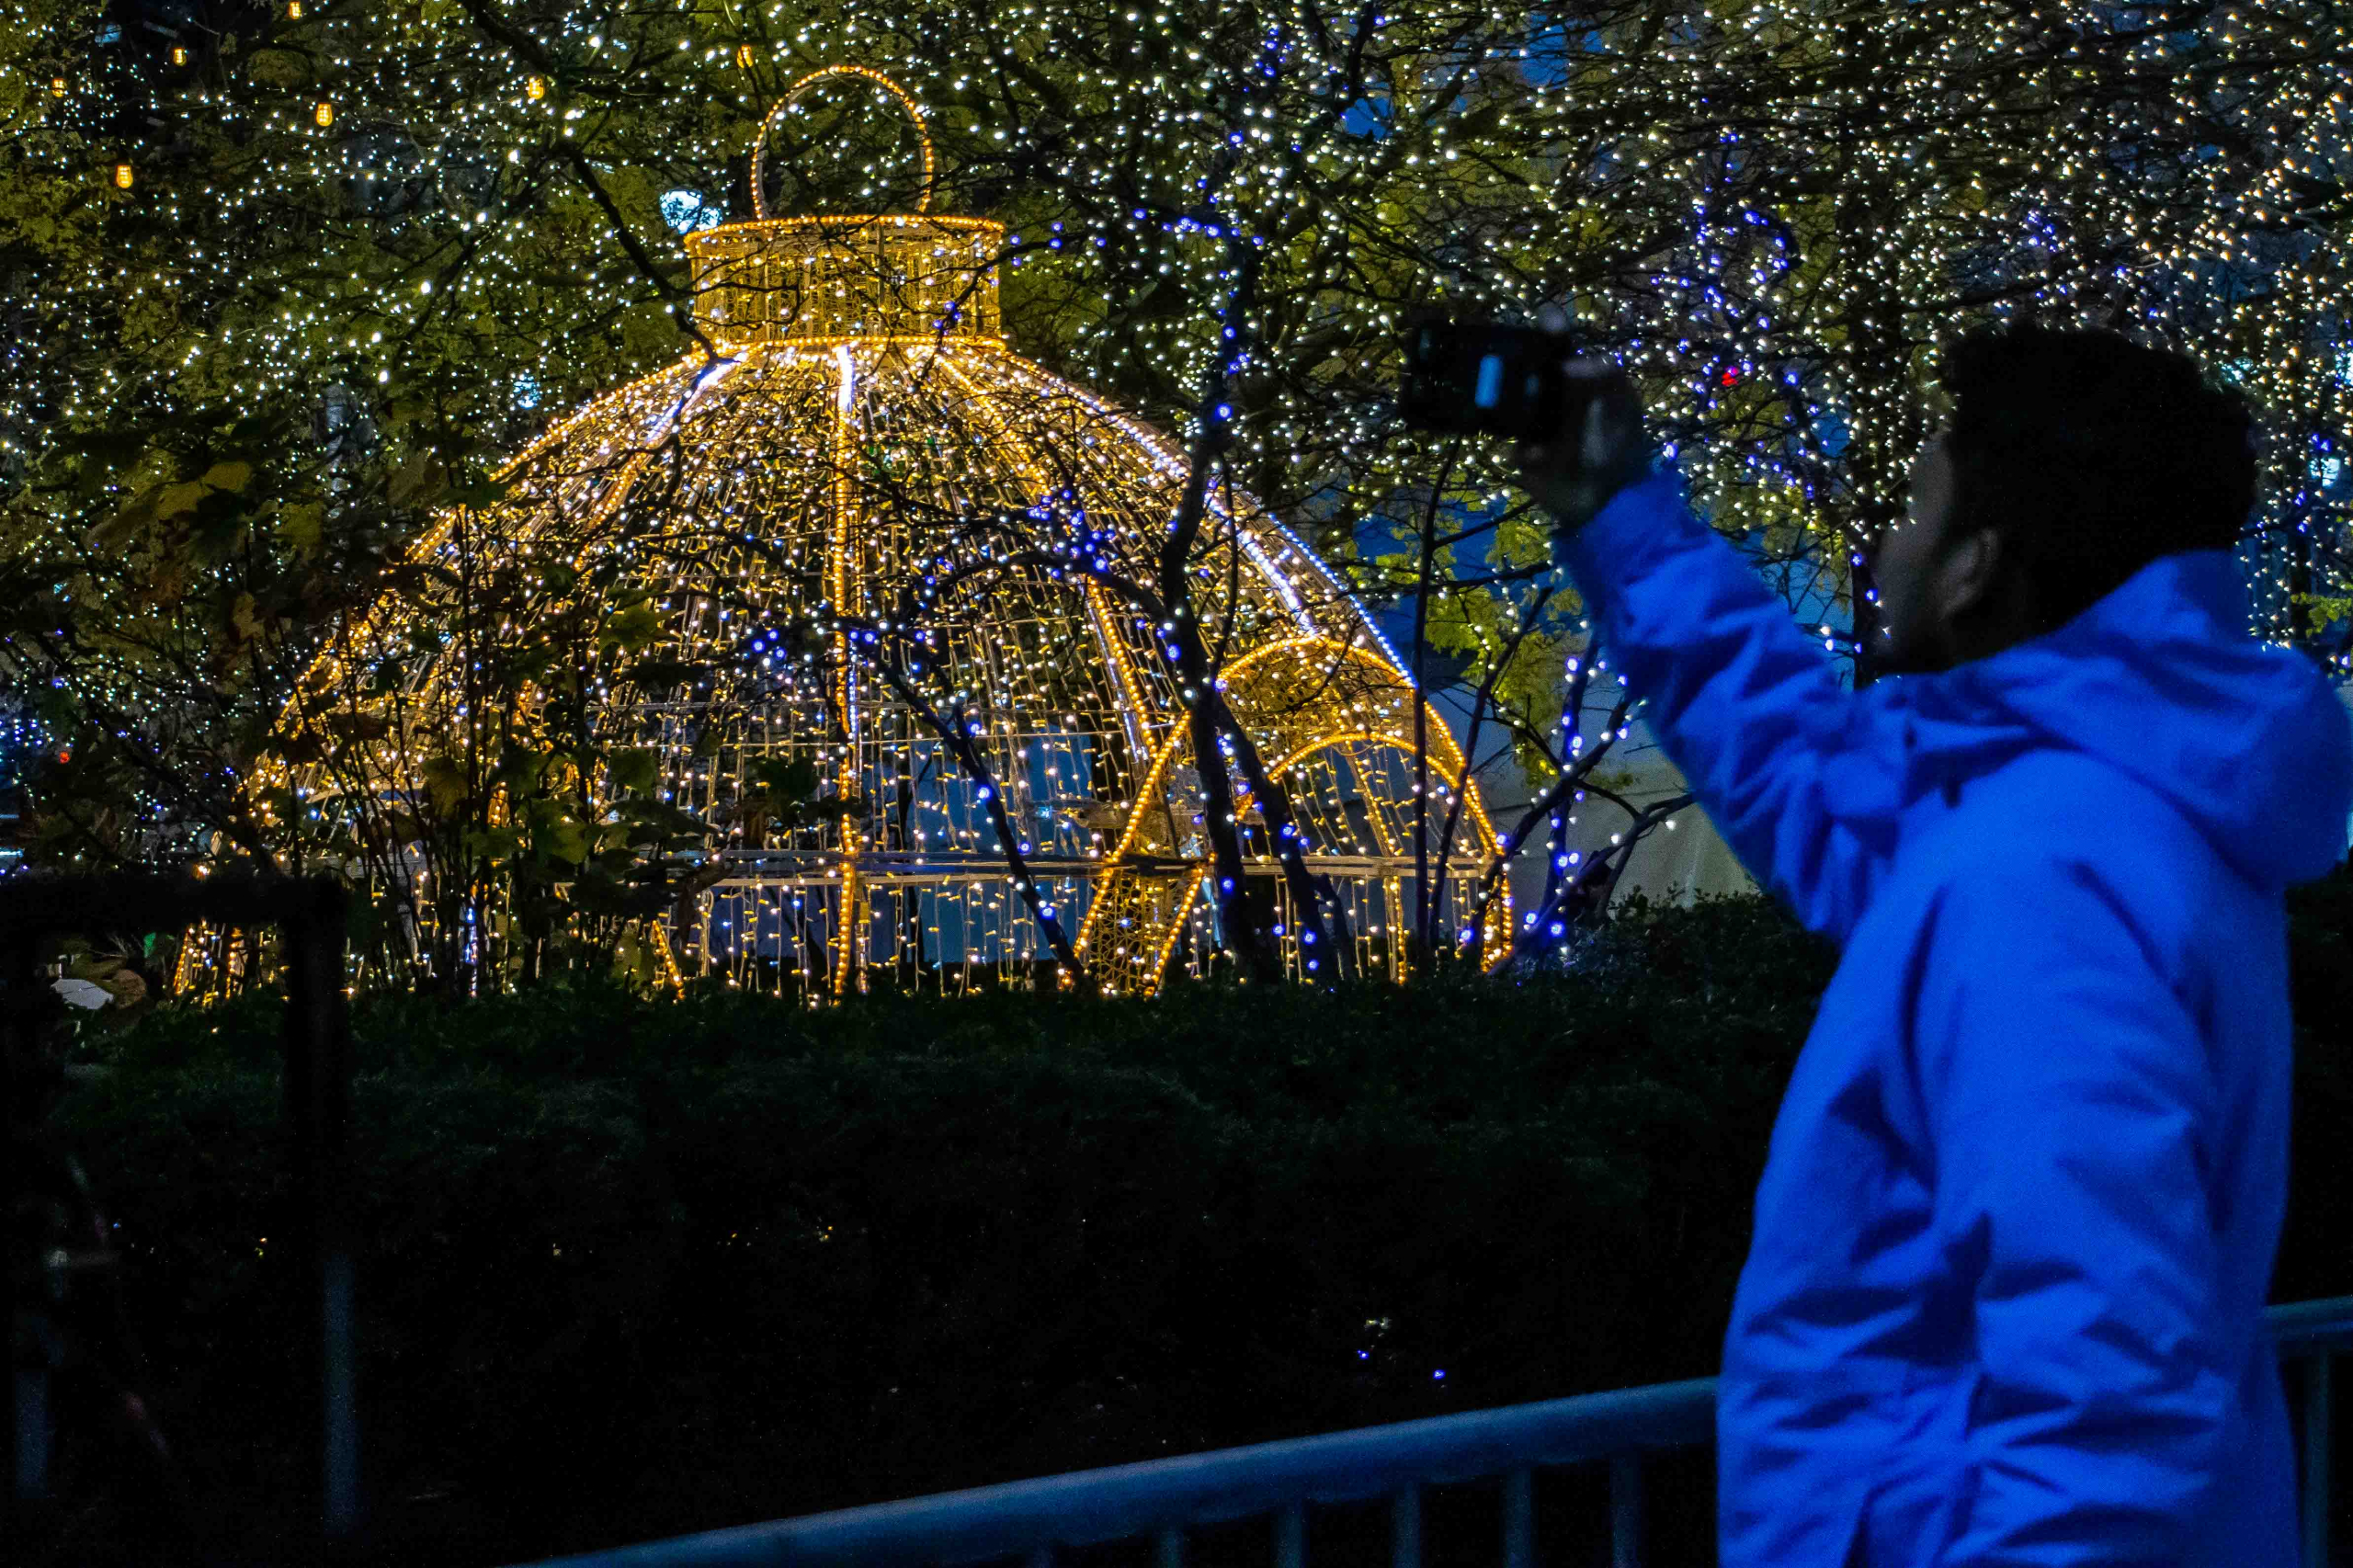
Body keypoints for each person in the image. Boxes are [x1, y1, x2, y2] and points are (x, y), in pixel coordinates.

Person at [1516, 324, 2353, 1566]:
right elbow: (1811, 778)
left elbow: (2106, 1397)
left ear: (1974, 570)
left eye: (1915, 508)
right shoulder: (2098, 802)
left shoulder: (2039, 881)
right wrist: (1620, 515)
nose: (1887, 547)